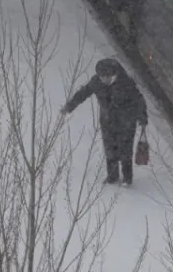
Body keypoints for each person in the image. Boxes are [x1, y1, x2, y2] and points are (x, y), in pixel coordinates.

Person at [61, 57, 148, 185]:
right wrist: (69, 107)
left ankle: (127, 179)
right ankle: (112, 177)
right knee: (110, 150)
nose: (105, 81)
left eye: (108, 77)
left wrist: (142, 118)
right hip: (107, 122)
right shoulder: (96, 82)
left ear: (115, 74)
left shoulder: (126, 83)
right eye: (103, 78)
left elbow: (139, 100)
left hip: (126, 122)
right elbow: (83, 94)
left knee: (125, 151)